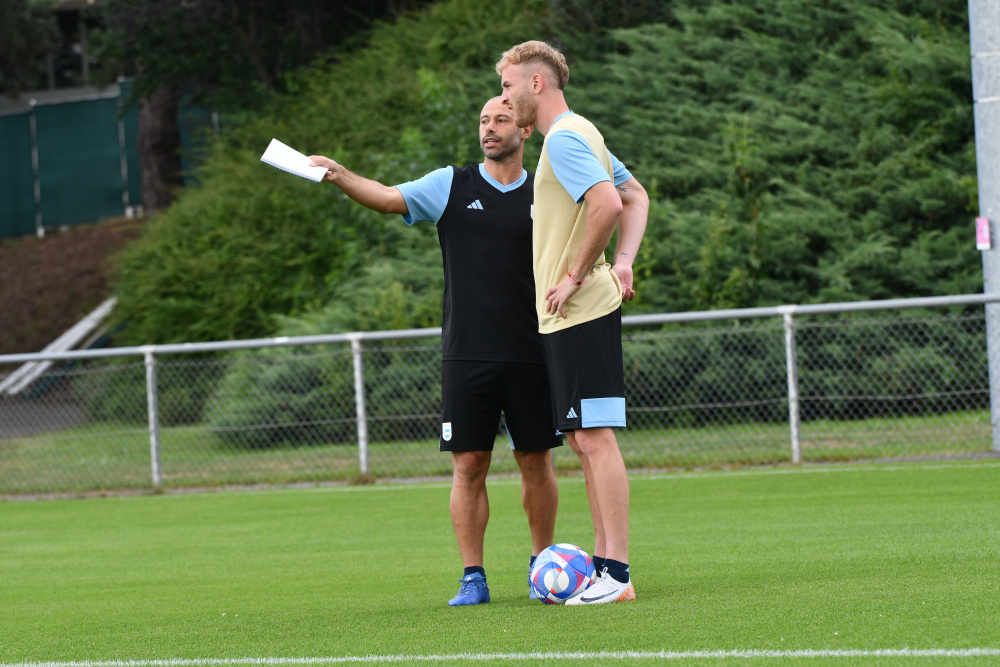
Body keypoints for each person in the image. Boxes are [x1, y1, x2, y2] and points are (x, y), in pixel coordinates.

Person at [308, 97, 561, 607]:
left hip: (535, 350)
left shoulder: (548, 191)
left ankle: (543, 566)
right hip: (468, 354)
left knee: (536, 461)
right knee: (469, 463)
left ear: (526, 130)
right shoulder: (451, 183)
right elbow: (384, 197)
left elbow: (597, 218)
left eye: (502, 120)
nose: (490, 129)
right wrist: (337, 174)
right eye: (484, 121)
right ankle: (473, 577)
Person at [497, 41, 650, 604]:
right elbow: (636, 196)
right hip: (570, 316)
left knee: (595, 439)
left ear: (536, 84)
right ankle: (608, 566)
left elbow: (609, 203)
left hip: (579, 311)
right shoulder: (581, 132)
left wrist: (577, 275)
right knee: (585, 440)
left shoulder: (562, 137)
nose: (506, 96)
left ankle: (617, 575)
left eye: (510, 86)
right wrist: (626, 263)